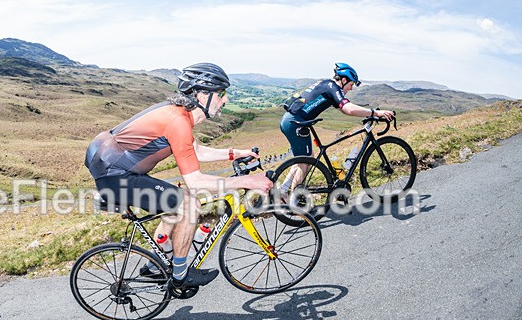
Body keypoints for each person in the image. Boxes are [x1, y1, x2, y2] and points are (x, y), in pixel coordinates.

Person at [84, 63, 272, 292]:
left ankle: (155, 266)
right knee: (188, 204)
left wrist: (236, 153)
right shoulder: (178, 122)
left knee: (177, 200)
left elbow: (197, 151)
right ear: (203, 95)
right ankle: (181, 274)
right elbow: (196, 181)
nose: (226, 100)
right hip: (116, 178)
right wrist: (248, 181)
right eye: (221, 94)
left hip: (115, 171)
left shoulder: (176, 113)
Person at [278, 62, 396, 195]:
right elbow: (349, 109)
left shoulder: (327, 85)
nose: (351, 89)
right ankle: (295, 199)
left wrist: (367, 112)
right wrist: (376, 113)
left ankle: (282, 191)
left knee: (304, 158)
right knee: (306, 162)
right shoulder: (333, 87)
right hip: (295, 122)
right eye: (351, 85)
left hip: (291, 120)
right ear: (344, 80)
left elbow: (344, 109)